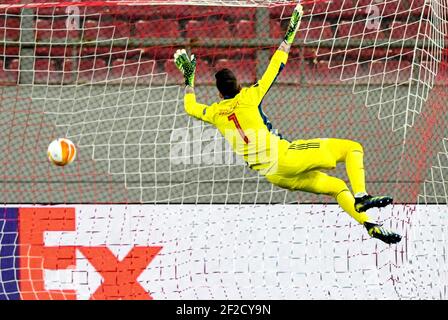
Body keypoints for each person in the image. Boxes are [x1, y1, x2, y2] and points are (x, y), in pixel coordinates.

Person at [173, 3, 401, 244]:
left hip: (273, 174)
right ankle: (362, 196)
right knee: (352, 148)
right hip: (285, 157)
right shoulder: (251, 96)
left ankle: (370, 225)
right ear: (238, 84)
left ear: (219, 94)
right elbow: (276, 65)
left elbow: (190, 107)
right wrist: (291, 31)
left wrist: (189, 80)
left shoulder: (216, 113)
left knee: (335, 187)